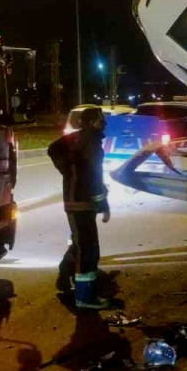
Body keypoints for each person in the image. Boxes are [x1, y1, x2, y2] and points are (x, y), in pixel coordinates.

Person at [48, 106, 112, 310]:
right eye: (101, 119)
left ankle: (65, 274)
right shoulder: (90, 142)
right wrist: (103, 203)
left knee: (81, 244)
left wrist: (68, 171)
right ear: (92, 121)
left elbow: (53, 149)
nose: (104, 122)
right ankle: (84, 297)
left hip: (78, 202)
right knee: (88, 250)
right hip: (82, 203)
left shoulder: (79, 138)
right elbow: (94, 176)